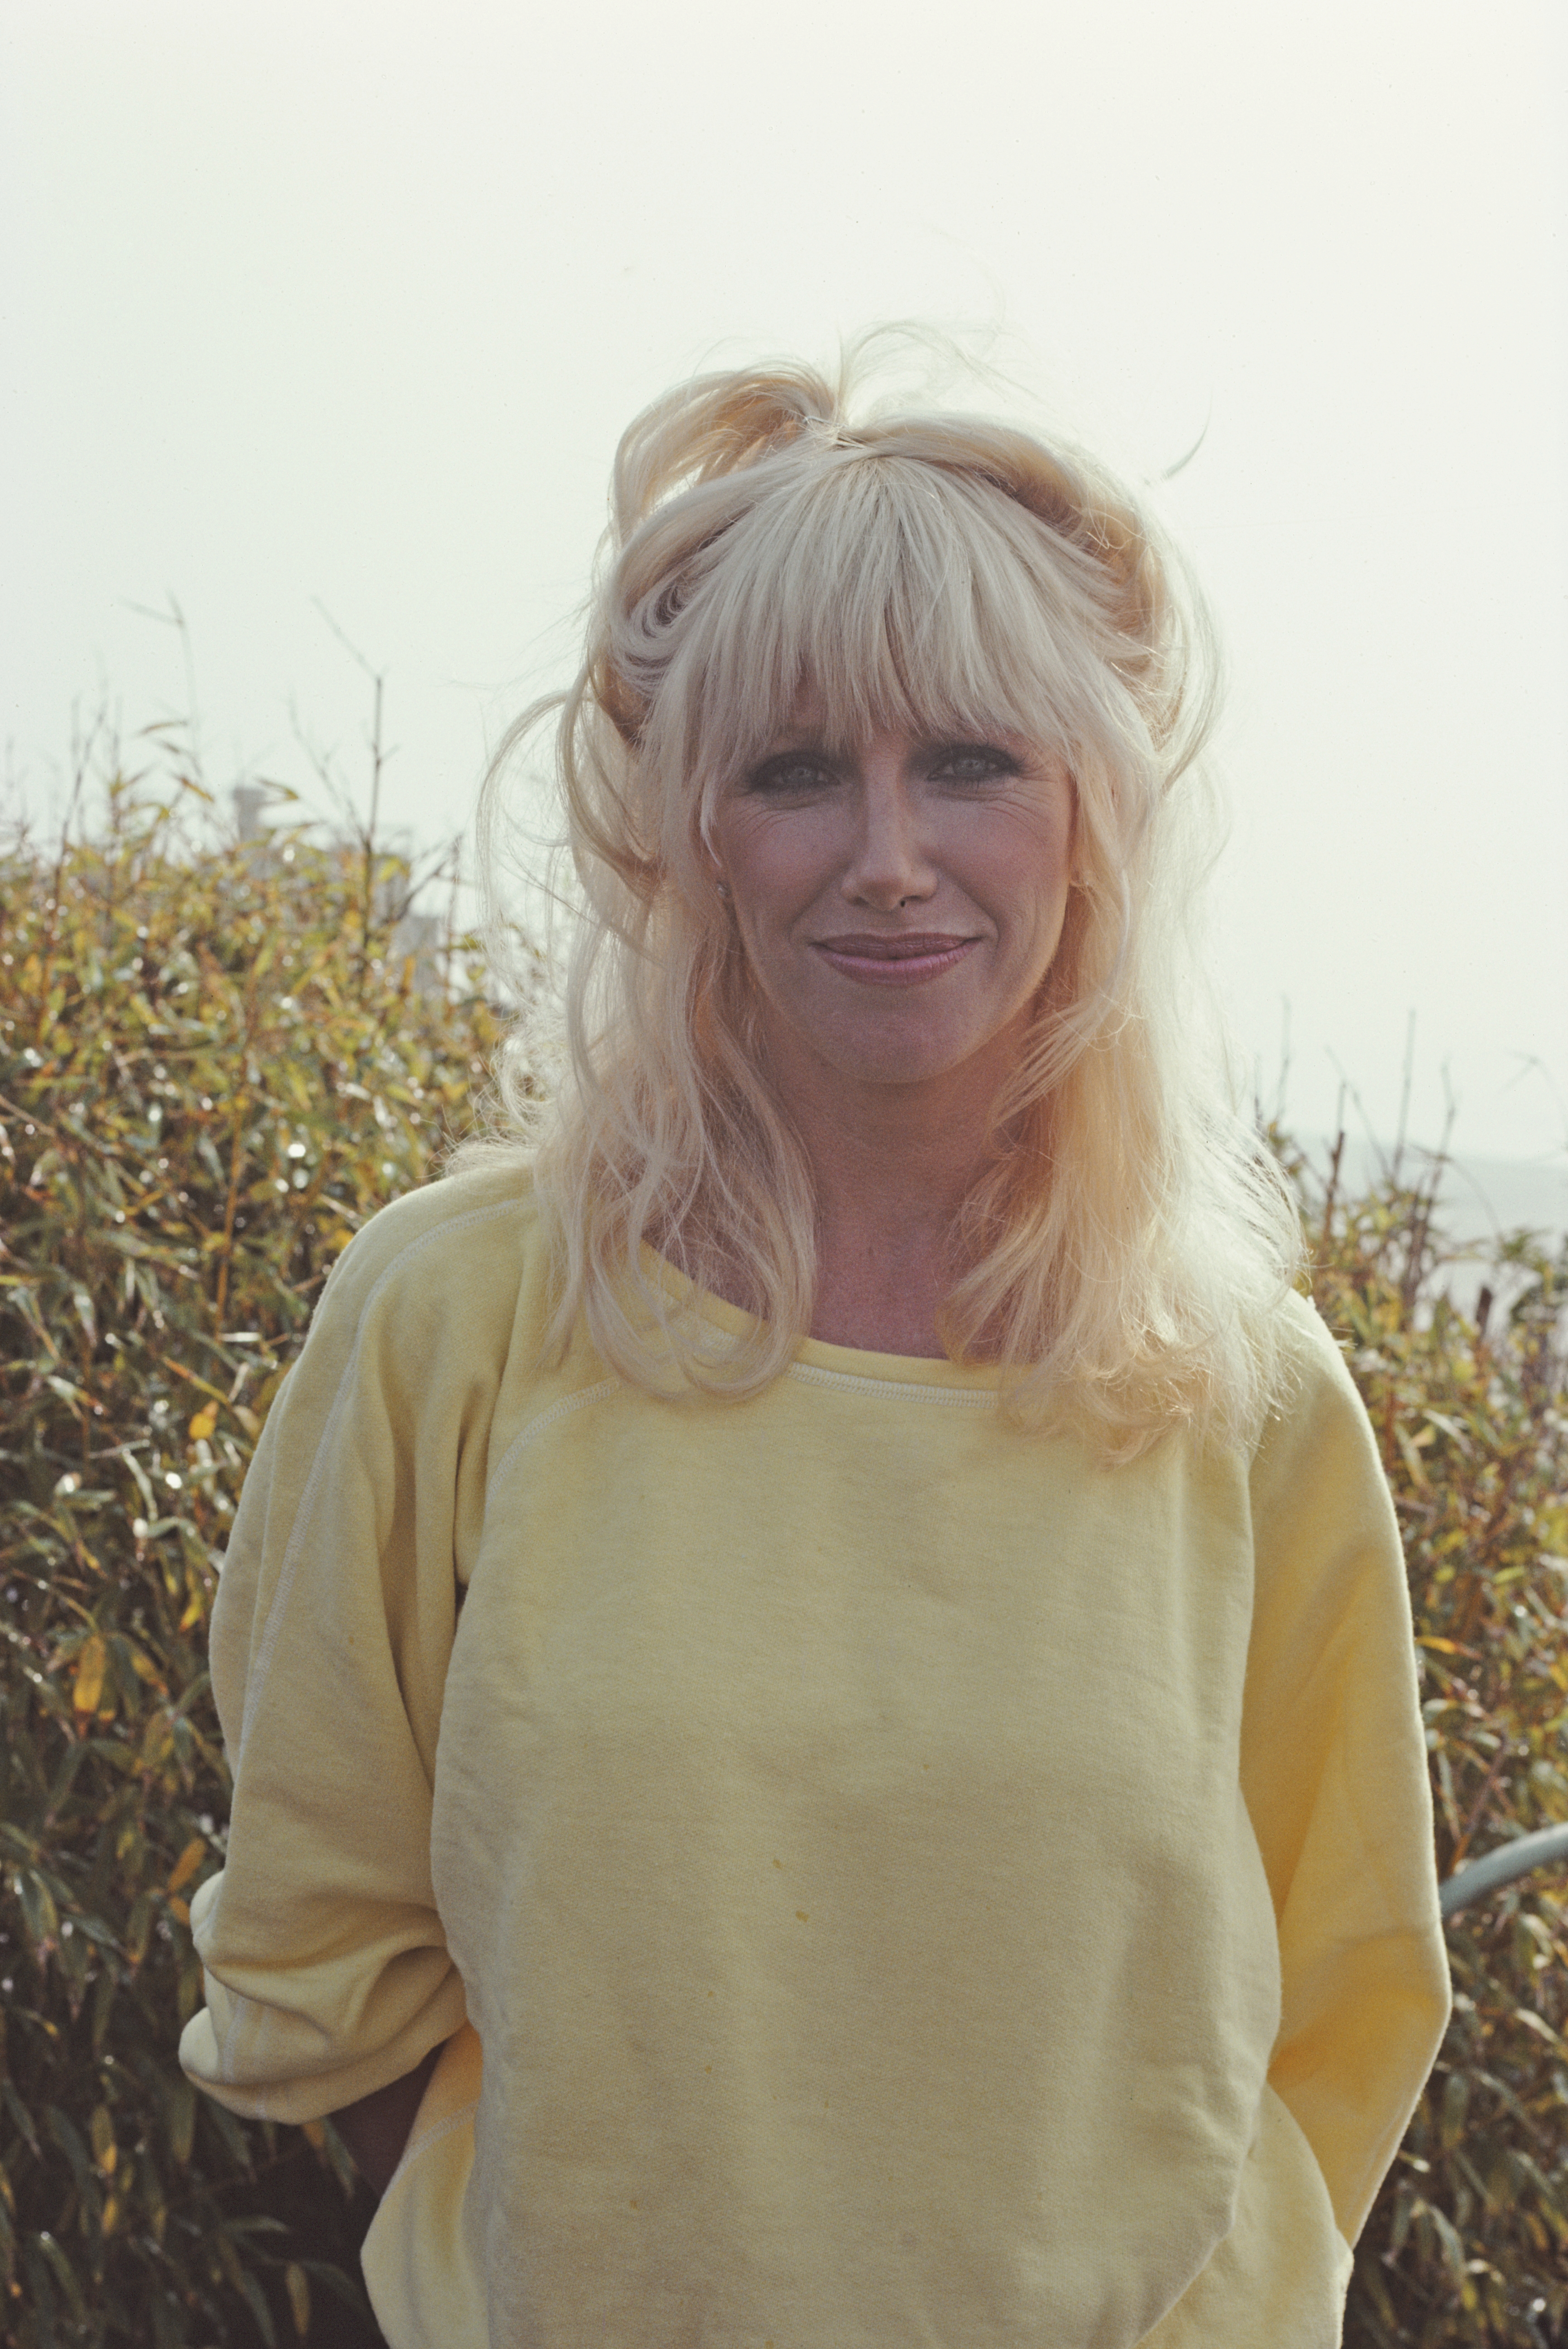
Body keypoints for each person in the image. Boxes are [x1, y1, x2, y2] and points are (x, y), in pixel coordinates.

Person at [179, 340, 1450, 2348]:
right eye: (792, 770)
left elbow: (1348, 1989)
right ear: (685, 832)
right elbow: (320, 1939)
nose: (883, 853)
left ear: (1087, 820)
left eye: (968, 761)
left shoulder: (1243, 1391)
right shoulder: (452, 1318)